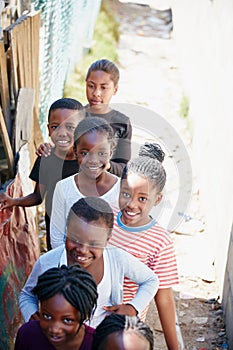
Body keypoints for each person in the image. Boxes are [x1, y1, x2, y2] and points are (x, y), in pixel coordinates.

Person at [19, 196, 159, 329]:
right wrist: (32, 315)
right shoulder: (48, 262)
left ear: (107, 239)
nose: (83, 250)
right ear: (66, 230)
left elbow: (151, 280)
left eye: (94, 243)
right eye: (75, 239)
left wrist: (133, 308)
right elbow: (27, 294)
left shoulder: (116, 258)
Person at [108, 142, 180, 350]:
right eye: (126, 194)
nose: (131, 204)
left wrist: (174, 347)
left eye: (142, 198)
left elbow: (163, 297)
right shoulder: (105, 218)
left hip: (127, 328)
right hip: (92, 316)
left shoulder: (160, 241)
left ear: (157, 200)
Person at [0, 98, 83, 250]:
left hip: (84, 231)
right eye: (55, 126)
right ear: (48, 129)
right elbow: (38, 196)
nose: (62, 133)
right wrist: (14, 201)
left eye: (70, 127)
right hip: (55, 229)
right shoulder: (46, 159)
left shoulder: (87, 160)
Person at [36, 59, 132, 177]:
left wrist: (106, 164)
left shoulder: (122, 123)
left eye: (103, 88)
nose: (96, 93)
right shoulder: (75, 116)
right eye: (91, 86)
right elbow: (62, 146)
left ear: (115, 90)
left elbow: (124, 169)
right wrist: (47, 148)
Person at [50, 116, 121, 249]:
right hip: (73, 263)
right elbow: (57, 238)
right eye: (84, 153)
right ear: (75, 152)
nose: (93, 160)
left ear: (110, 153)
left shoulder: (121, 190)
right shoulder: (63, 188)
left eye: (101, 153)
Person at [14, 264, 97, 350]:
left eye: (67, 320)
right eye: (47, 316)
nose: (54, 330)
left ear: (86, 315)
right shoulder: (28, 335)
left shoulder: (99, 344)